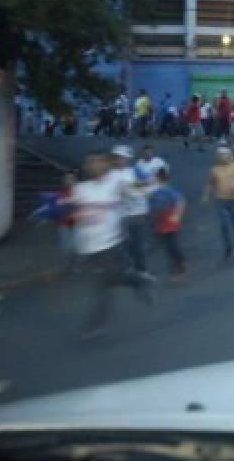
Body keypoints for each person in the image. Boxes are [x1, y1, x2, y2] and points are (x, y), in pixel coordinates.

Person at [67, 153, 156, 339]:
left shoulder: (115, 183)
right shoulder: (80, 189)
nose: (92, 163)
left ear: (106, 165)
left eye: (97, 160)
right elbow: (70, 208)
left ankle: (95, 325)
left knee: (103, 285)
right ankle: (137, 281)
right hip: (87, 247)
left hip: (110, 244)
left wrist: (151, 184)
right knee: (112, 278)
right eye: (89, 161)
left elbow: (138, 190)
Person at [110, 145, 154, 278]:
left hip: (138, 212)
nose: (118, 160)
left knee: (137, 243)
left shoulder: (134, 171)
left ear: (127, 159)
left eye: (120, 158)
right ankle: (128, 267)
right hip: (121, 214)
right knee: (123, 244)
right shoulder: (111, 174)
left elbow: (149, 183)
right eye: (116, 158)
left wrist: (136, 187)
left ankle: (142, 270)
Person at [202, 147, 234, 261]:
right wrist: (205, 195)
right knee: (224, 225)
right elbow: (210, 183)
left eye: (225, 154)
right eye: (221, 155)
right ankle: (228, 248)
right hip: (221, 202)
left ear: (230, 155)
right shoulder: (215, 170)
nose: (223, 156)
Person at [148, 165, 187, 280]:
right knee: (168, 246)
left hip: (168, 221)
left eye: (156, 178)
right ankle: (178, 265)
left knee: (171, 246)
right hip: (161, 221)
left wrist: (176, 216)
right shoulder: (156, 192)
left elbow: (180, 201)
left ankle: (180, 266)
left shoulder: (166, 191)